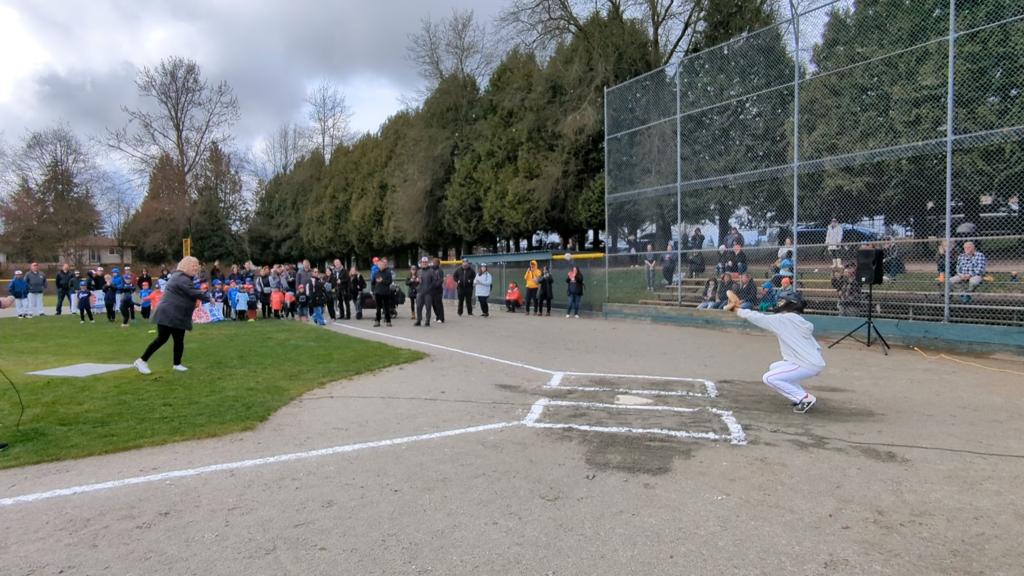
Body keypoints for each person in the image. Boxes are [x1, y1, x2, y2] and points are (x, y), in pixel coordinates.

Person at [727, 291, 823, 413]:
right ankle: (800, 395)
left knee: (769, 378)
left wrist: (737, 310)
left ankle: (805, 398)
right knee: (775, 367)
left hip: (807, 363)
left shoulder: (784, 320)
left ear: (791, 304)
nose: (779, 303)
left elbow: (759, 318)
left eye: (782, 301)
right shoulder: (797, 320)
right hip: (808, 361)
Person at [135, 256, 210, 374]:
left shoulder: (182, 277)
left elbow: (188, 294)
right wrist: (208, 298)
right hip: (168, 313)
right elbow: (192, 292)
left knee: (179, 339)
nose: (196, 268)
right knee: (162, 338)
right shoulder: (181, 278)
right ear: (186, 266)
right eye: (193, 266)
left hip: (176, 314)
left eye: (197, 266)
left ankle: (177, 364)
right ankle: (141, 361)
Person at [415, 257, 438, 327]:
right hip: (420, 292)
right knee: (418, 307)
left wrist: (429, 288)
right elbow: (416, 282)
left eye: (425, 262)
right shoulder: (419, 271)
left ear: (428, 263)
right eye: (423, 262)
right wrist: (417, 282)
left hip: (428, 293)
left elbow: (434, 281)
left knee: (428, 307)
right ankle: (418, 320)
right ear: (421, 263)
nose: (424, 263)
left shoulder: (431, 271)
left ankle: (427, 321)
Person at [372, 257, 393, 327]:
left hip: (386, 293)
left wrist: (382, 281)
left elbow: (389, 282)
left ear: (384, 265)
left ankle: (388, 321)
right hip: (377, 293)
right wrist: (373, 290)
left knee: (386, 308)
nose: (380, 266)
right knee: (378, 308)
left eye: (382, 265)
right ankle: (377, 321)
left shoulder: (388, 273)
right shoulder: (376, 273)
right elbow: (373, 283)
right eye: (379, 265)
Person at [430, 258, 445, 323]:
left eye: (435, 262)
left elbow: (441, 280)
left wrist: (435, 285)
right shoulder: (431, 269)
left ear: (438, 263)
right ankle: (437, 317)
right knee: (433, 304)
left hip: (438, 290)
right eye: (433, 262)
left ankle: (441, 318)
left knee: (438, 304)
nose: (433, 263)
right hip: (431, 290)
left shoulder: (440, 270)